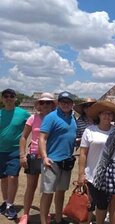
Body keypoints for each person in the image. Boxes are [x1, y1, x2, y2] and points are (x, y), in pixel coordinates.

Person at [77, 101, 115, 224]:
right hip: (93, 174)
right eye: (104, 113)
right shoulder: (89, 130)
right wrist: (81, 173)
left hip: (112, 175)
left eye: (110, 114)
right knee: (99, 204)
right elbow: (83, 153)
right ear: (99, 115)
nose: (107, 116)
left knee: (110, 203)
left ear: (113, 117)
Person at [38, 91, 77, 224]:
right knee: (48, 193)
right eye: (63, 102)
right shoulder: (51, 117)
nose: (66, 104)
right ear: (58, 103)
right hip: (52, 160)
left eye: (68, 102)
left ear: (72, 104)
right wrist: (44, 157)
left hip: (66, 160)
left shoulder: (73, 118)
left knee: (61, 191)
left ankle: (59, 219)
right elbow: (42, 138)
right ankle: (44, 221)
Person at [18, 93, 56, 224]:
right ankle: (26, 214)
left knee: (47, 189)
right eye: (42, 102)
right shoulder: (32, 118)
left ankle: (46, 213)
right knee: (31, 186)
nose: (45, 105)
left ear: (52, 105)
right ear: (39, 105)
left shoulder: (55, 119)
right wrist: (22, 155)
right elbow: (23, 137)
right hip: (34, 155)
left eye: (48, 103)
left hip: (50, 156)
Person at [0, 88, 30, 220]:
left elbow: (34, 124)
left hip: (15, 150)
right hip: (1, 150)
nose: (8, 98)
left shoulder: (23, 113)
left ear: (15, 98)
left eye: (11, 96)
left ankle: (10, 205)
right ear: (2, 99)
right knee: (3, 178)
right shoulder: (0, 113)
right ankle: (5, 201)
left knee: (13, 177)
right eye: (5, 96)